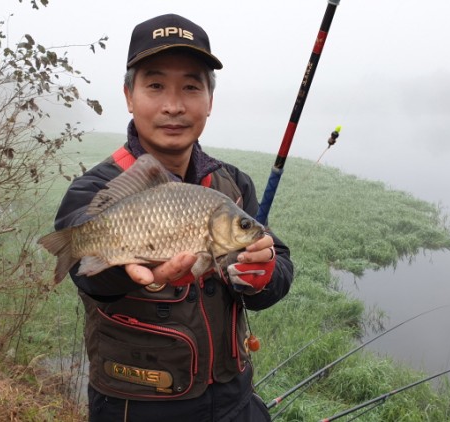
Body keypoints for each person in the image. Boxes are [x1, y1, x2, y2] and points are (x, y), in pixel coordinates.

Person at [51, 13, 294, 422]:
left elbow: (278, 264)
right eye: (156, 85)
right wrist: (125, 269)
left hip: (234, 396)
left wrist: (264, 274)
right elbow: (86, 273)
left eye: (191, 87)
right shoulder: (92, 189)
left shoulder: (233, 185)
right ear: (129, 96)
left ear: (210, 101)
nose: (174, 105)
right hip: (135, 406)